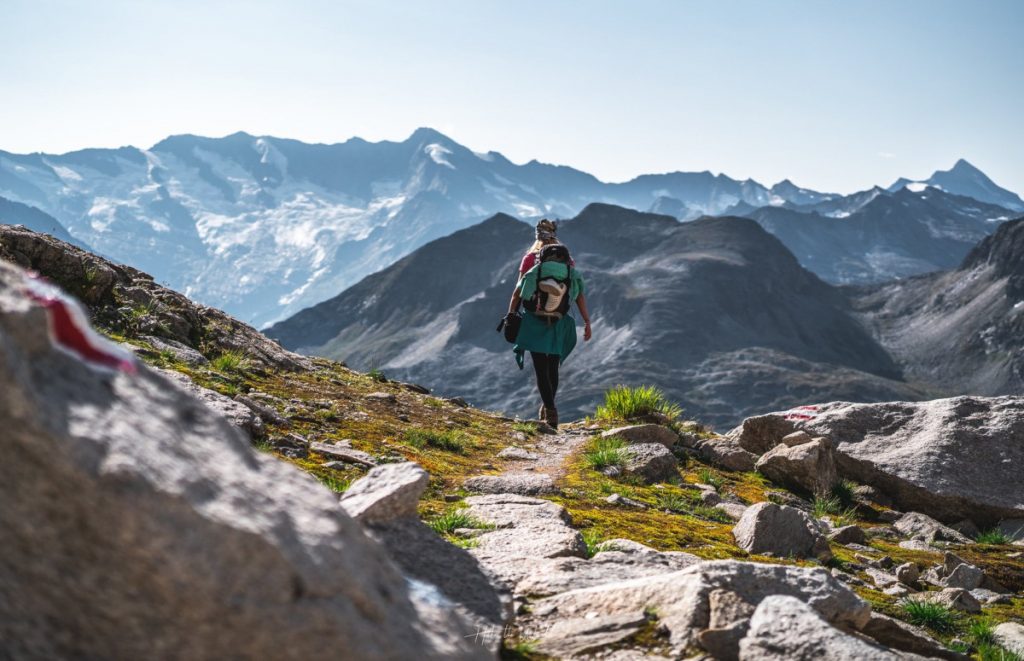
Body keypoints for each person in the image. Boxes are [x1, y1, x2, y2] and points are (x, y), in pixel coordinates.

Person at [505, 219, 591, 428]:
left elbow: (519, 291)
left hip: (534, 320)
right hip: (559, 321)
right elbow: (578, 295)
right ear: (554, 235)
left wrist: (511, 314)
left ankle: (550, 410)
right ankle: (549, 407)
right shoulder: (568, 262)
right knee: (553, 366)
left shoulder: (529, 261)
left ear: (537, 236)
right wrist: (587, 321)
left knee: (540, 367)